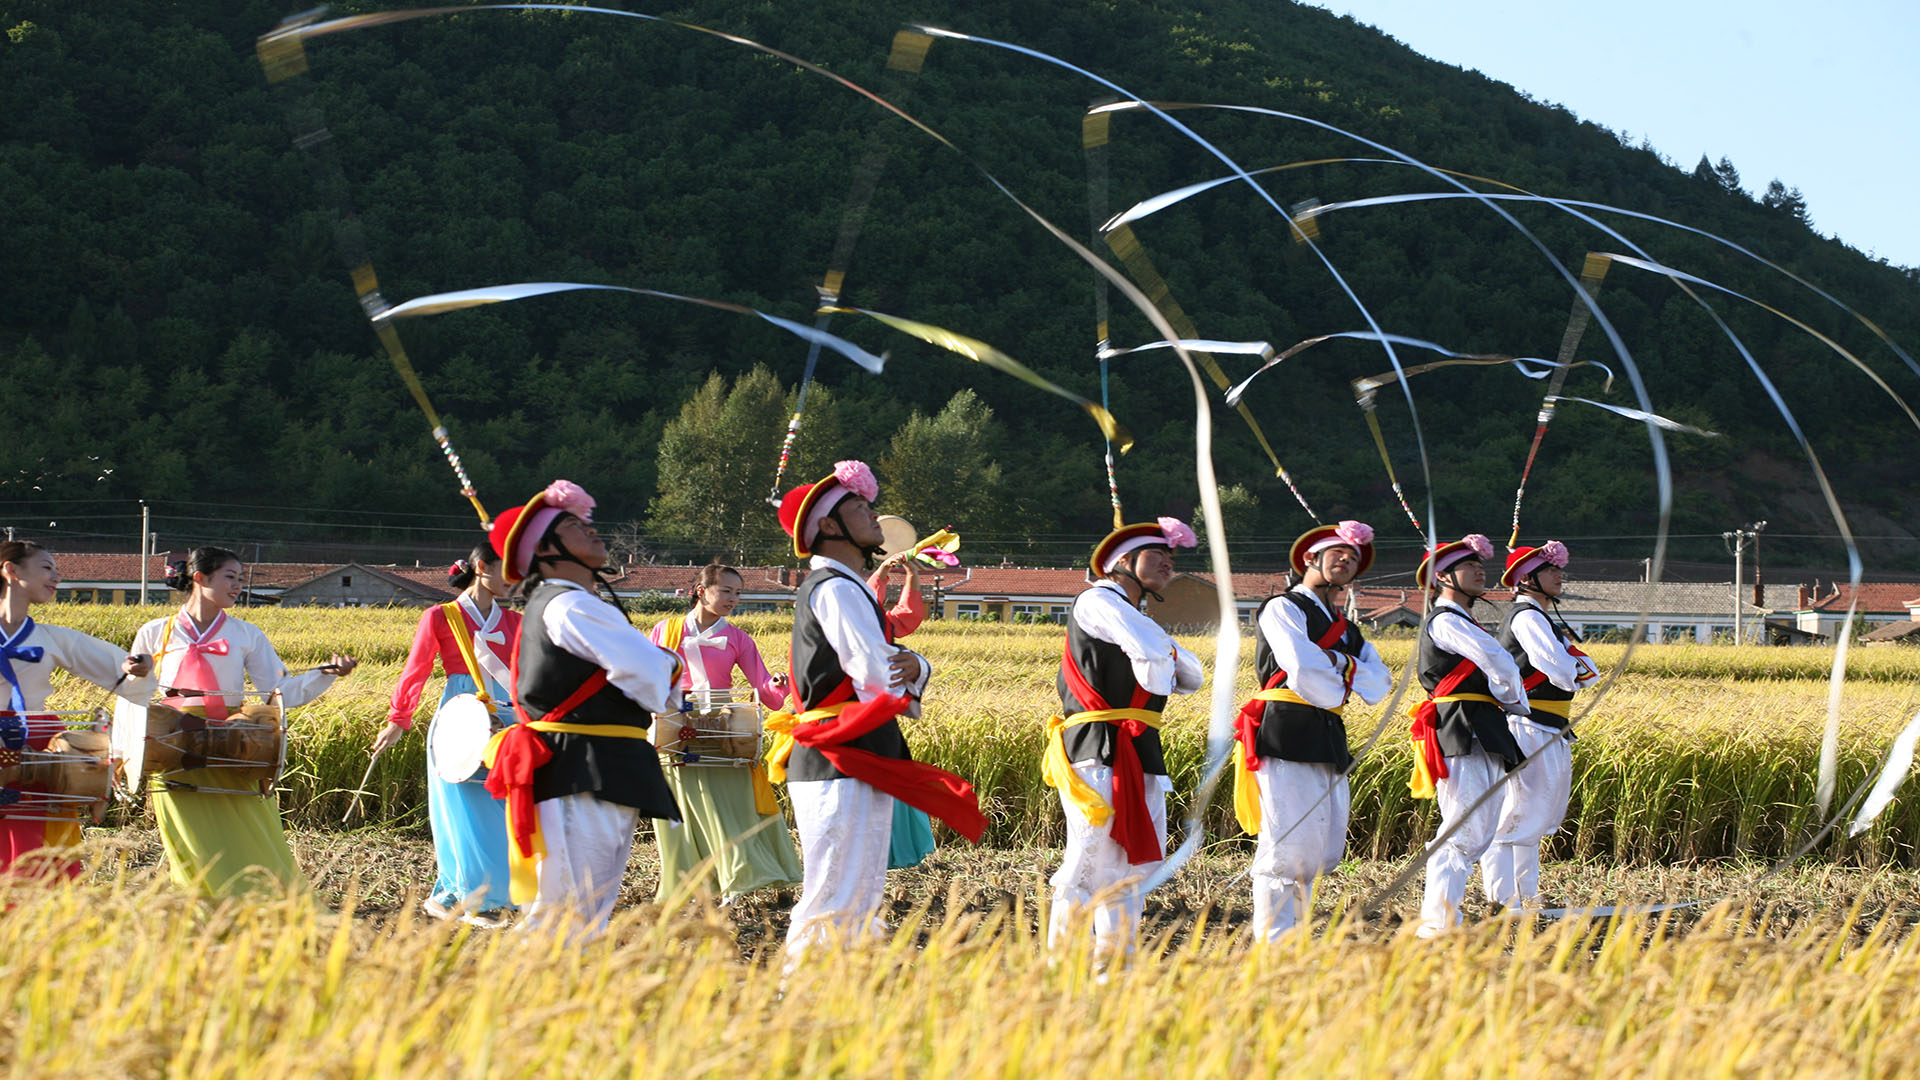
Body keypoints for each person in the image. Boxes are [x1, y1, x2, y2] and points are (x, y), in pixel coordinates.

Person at [768, 460, 985, 965]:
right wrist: (919, 666)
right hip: (841, 754)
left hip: (850, 751)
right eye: (861, 508)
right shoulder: (838, 588)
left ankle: (835, 988)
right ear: (828, 526)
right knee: (838, 892)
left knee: (853, 891)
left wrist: (913, 665)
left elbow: (879, 668)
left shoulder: (844, 586)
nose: (874, 515)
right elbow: (876, 672)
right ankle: (803, 990)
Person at [481, 480, 685, 938]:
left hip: (587, 765)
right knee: (570, 912)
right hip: (584, 766)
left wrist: (660, 664)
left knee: (574, 910)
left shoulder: (565, 603)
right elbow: (648, 673)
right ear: (545, 550)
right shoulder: (571, 603)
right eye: (574, 526)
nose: (592, 530)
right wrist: (670, 662)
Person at [114, 546, 357, 898]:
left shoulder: (247, 634)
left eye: (240, 578)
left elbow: (278, 691)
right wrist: (136, 681)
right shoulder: (154, 632)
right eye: (230, 577)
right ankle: (203, 909)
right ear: (200, 578)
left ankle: (266, 901)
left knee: (252, 830)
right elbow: (132, 696)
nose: (238, 586)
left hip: (234, 745)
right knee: (192, 842)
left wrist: (325, 674)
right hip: (173, 748)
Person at [1043, 517, 1204, 957]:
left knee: (1131, 868)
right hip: (1097, 747)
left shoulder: (1135, 617)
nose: (1168, 564)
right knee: (1088, 859)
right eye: (1157, 555)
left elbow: (1192, 676)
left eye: (1171, 557)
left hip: (1139, 747)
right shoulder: (1097, 600)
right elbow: (1156, 659)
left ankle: (1115, 967)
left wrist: (1165, 651)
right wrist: (1166, 651)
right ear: (1123, 562)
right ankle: (1062, 965)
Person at [1234, 520, 1392, 942]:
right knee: (1286, 843)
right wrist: (1346, 672)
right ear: (1310, 558)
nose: (1346, 560)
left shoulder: (1349, 629)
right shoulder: (1283, 607)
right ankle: (1274, 941)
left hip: (1328, 731)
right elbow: (1301, 666)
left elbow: (1380, 681)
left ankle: (1296, 937)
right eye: (1338, 553)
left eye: (1353, 557)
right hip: (1285, 728)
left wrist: (1338, 664)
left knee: (1319, 847)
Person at [376, 543, 522, 924]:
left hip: (507, 719)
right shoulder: (440, 617)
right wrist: (398, 719)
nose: (514, 578)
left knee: (505, 809)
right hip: (460, 719)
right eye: (507, 569)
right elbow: (416, 670)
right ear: (481, 567)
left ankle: (486, 894)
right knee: (462, 810)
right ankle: (470, 898)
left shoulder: (515, 622)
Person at [647, 562, 802, 903]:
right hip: (675, 727)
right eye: (726, 591)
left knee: (730, 807)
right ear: (701, 591)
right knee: (682, 810)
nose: (734, 599)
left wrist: (778, 683)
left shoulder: (738, 638)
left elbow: (765, 689)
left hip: (722, 728)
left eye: (738, 593)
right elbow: (646, 676)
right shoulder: (664, 630)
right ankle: (689, 884)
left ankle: (738, 875)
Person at [0, 541, 154, 877]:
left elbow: (122, 669)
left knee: (41, 848)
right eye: (46, 568)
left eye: (57, 569)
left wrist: (139, 667)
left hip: (42, 749)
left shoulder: (53, 638)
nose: (56, 576)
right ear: (10, 570)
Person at [1408, 533, 1529, 937]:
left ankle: (1444, 917)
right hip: (1463, 723)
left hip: (1480, 722)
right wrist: (1516, 702)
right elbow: (1499, 660)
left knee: (1478, 829)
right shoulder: (1445, 619)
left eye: (1480, 564)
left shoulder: (1461, 620)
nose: (1480, 571)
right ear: (1443, 576)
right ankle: (1437, 923)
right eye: (1469, 565)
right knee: (1463, 828)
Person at [1485, 540, 1598, 910]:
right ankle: (1502, 899)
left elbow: (1584, 670)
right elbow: (1565, 670)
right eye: (1549, 570)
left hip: (1546, 725)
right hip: (1527, 725)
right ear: (1526, 579)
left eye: (1557, 569)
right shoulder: (1528, 618)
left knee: (1532, 815)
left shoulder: (1541, 618)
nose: (1559, 575)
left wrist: (1573, 667)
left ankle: (1525, 895)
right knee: (1516, 814)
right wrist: (1572, 666)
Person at [867, 550, 936, 870]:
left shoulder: (881, 623)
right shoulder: (850, 613)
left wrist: (912, 575)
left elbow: (906, 616)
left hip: (879, 718)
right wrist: (883, 572)